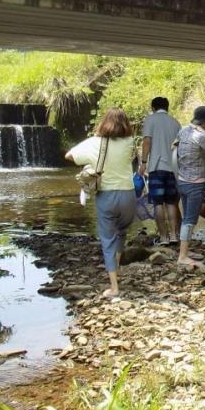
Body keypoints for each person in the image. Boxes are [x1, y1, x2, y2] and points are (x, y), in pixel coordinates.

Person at [65, 107, 137, 298]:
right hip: (128, 194)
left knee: (108, 240)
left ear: (104, 122)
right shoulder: (130, 142)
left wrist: (91, 164)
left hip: (106, 195)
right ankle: (117, 269)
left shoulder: (94, 142)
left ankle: (114, 287)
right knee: (121, 233)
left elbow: (70, 155)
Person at [174, 105, 205, 267]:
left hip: (181, 180)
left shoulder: (183, 131)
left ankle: (185, 249)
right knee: (190, 220)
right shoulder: (202, 136)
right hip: (195, 183)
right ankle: (183, 256)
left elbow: (174, 148)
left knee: (186, 218)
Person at [139, 96, 181, 244]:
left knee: (158, 203)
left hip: (156, 167)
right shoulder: (175, 123)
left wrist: (143, 162)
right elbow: (179, 147)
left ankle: (163, 237)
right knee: (171, 203)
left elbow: (147, 142)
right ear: (167, 107)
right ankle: (174, 235)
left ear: (153, 108)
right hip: (172, 168)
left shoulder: (150, 120)